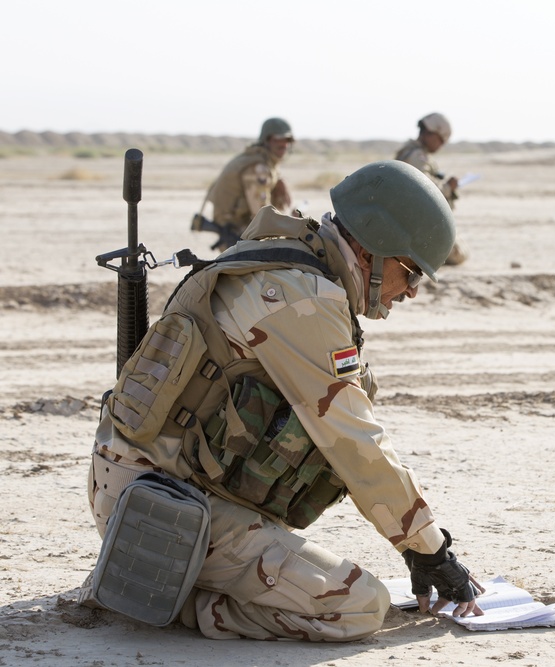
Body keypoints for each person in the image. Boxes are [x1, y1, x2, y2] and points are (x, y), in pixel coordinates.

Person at [86, 160, 483, 641]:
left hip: (138, 483)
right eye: (411, 272)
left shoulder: (283, 255)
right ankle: (190, 604)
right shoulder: (303, 297)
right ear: (371, 249)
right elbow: (355, 442)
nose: (412, 292)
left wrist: (416, 545)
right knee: (361, 607)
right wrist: (428, 550)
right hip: (165, 509)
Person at [193, 117, 297, 251]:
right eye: (277, 140)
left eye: (287, 140)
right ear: (266, 140)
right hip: (235, 234)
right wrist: (290, 225)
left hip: (240, 230)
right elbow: (262, 216)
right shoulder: (257, 167)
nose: (283, 145)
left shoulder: (258, 159)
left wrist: (279, 180)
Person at [395, 112, 468, 265]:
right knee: (459, 254)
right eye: (441, 140)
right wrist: (448, 187)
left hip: (411, 222)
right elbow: (426, 190)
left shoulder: (413, 152)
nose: (440, 145)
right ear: (432, 133)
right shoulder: (416, 155)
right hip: (414, 225)